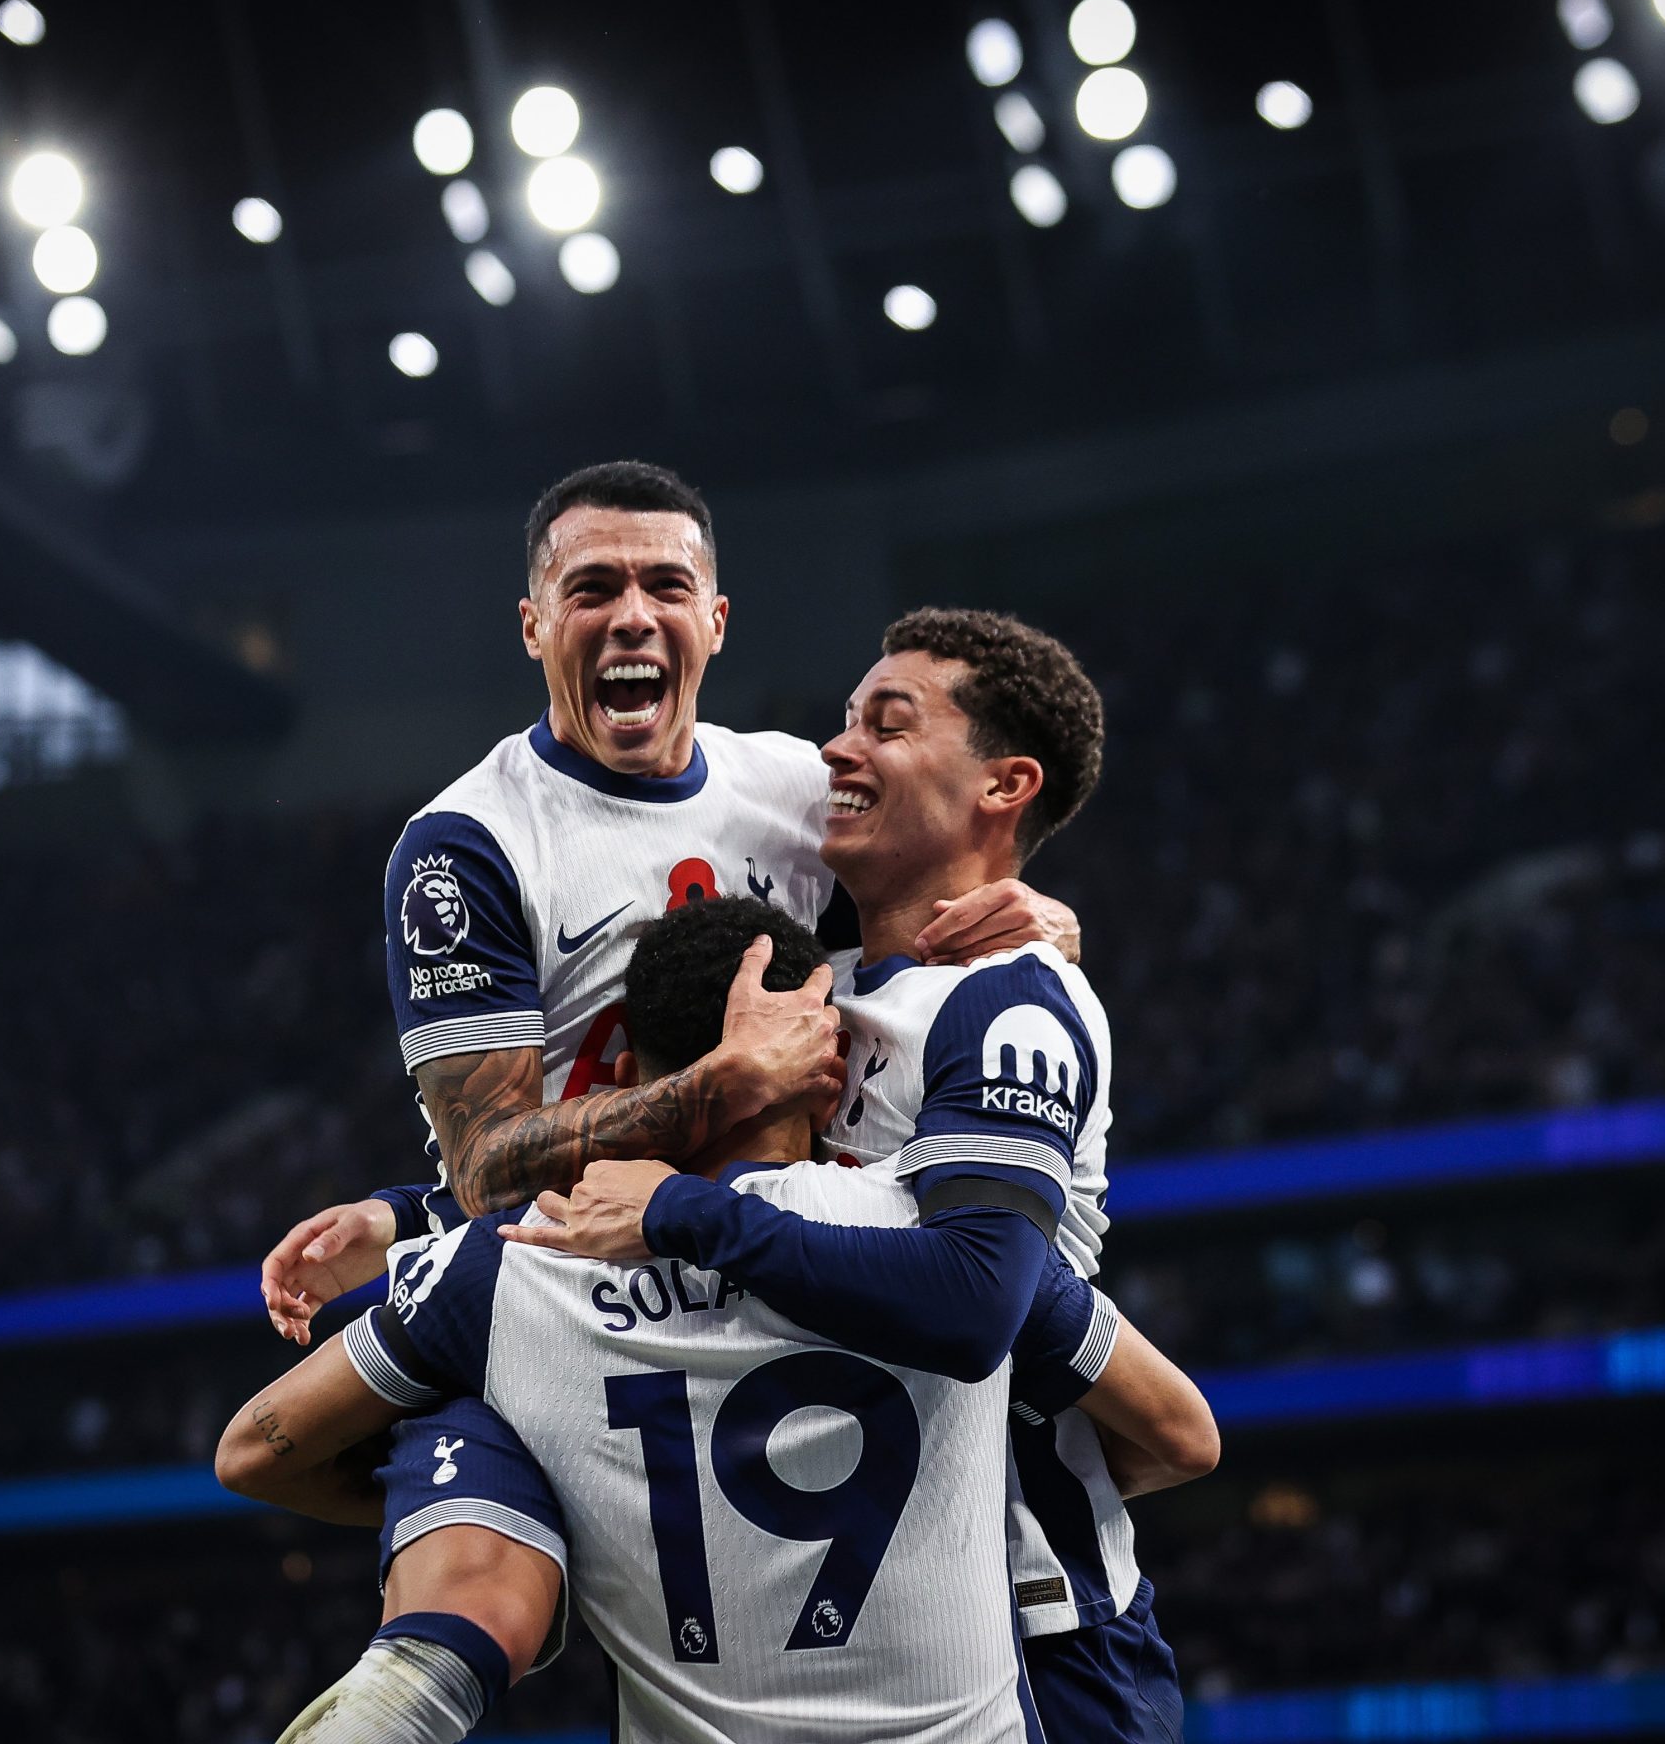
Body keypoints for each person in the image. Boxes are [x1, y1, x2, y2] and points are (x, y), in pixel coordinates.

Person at [251, 464, 1083, 1718]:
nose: (631, 614)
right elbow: (486, 1165)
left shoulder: (798, 794)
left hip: (793, 1244)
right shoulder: (467, 844)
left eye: (663, 585)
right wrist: (719, 1086)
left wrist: (1044, 922)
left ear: (715, 622)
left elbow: (942, 879)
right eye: (591, 588)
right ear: (535, 625)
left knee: (1075, 1377)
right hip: (581, 1271)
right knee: (468, 1570)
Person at [219, 898, 1217, 1743]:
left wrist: (554, 1497)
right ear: (827, 1069)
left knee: (460, 1420)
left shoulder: (508, 1268)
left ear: (635, 1081)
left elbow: (256, 1448)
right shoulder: (941, 1246)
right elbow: (1181, 1434)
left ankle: (427, 1657)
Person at [518, 609, 1193, 1739]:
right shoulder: (794, 983)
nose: (838, 748)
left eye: (888, 722)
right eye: (843, 719)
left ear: (1004, 783)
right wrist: (403, 1214)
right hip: (823, 1619)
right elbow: (624, 1144)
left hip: (1037, 1635)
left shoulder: (1008, 1003)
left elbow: (977, 1301)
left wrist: (686, 1210)